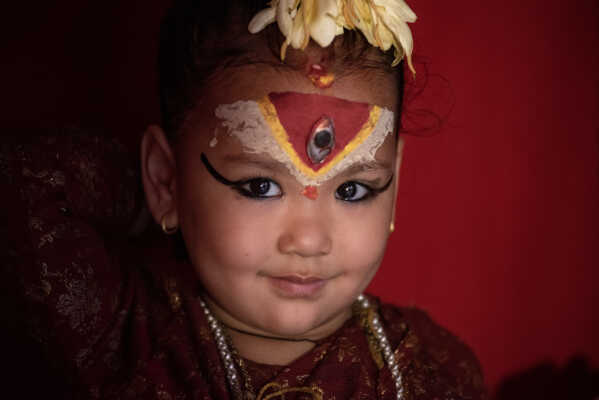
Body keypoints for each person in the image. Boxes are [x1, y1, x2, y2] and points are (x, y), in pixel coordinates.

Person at [1, 0, 486, 398]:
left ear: (394, 184)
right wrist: (171, 195)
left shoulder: (434, 371)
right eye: (260, 186)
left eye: (353, 190)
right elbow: (21, 180)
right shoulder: (119, 331)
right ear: (164, 177)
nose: (310, 240)